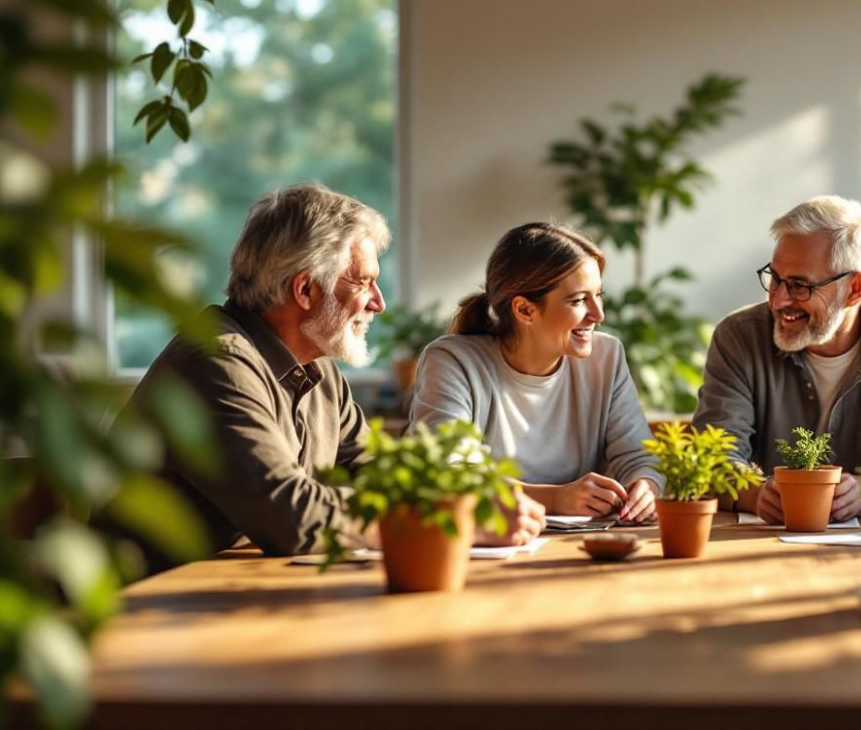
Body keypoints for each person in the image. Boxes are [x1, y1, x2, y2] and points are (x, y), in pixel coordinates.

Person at [121, 183, 544, 572]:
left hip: (225, 593)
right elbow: (294, 518)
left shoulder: (316, 365)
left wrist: (479, 500)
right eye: (364, 283)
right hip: (147, 614)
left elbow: (378, 474)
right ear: (305, 291)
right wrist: (456, 520)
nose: (378, 303)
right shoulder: (216, 363)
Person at [693, 195, 861, 524]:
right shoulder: (738, 336)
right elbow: (712, 458)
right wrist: (755, 493)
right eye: (774, 278)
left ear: (855, 289)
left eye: (800, 286)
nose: (778, 300)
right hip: (760, 543)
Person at [409, 222, 663, 523]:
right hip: (489, 547)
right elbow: (445, 475)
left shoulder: (606, 357)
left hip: (583, 545)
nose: (599, 314)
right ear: (525, 310)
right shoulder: (453, 361)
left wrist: (645, 486)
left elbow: (639, 458)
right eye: (579, 300)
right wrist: (554, 499)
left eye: (599, 295)